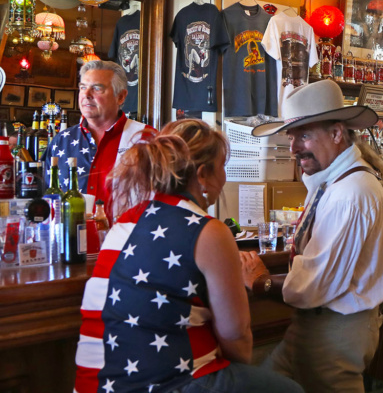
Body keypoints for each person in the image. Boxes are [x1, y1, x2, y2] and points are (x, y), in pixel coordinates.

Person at [74, 124, 302, 393]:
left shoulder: (125, 221)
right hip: (168, 385)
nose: (224, 177)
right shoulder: (209, 231)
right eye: (222, 166)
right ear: (203, 174)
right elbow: (236, 336)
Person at [242, 80, 383, 392]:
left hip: (335, 330)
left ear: (336, 134)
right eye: (291, 137)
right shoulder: (336, 182)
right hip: (315, 325)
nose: (294, 148)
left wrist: (262, 282)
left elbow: (317, 282)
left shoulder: (350, 192)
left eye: (304, 135)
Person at [45, 60, 155, 220]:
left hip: (128, 234)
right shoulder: (61, 141)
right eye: (83, 87)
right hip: (71, 234)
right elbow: (48, 198)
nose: (86, 95)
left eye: (97, 88)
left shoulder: (146, 138)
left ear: (121, 97)